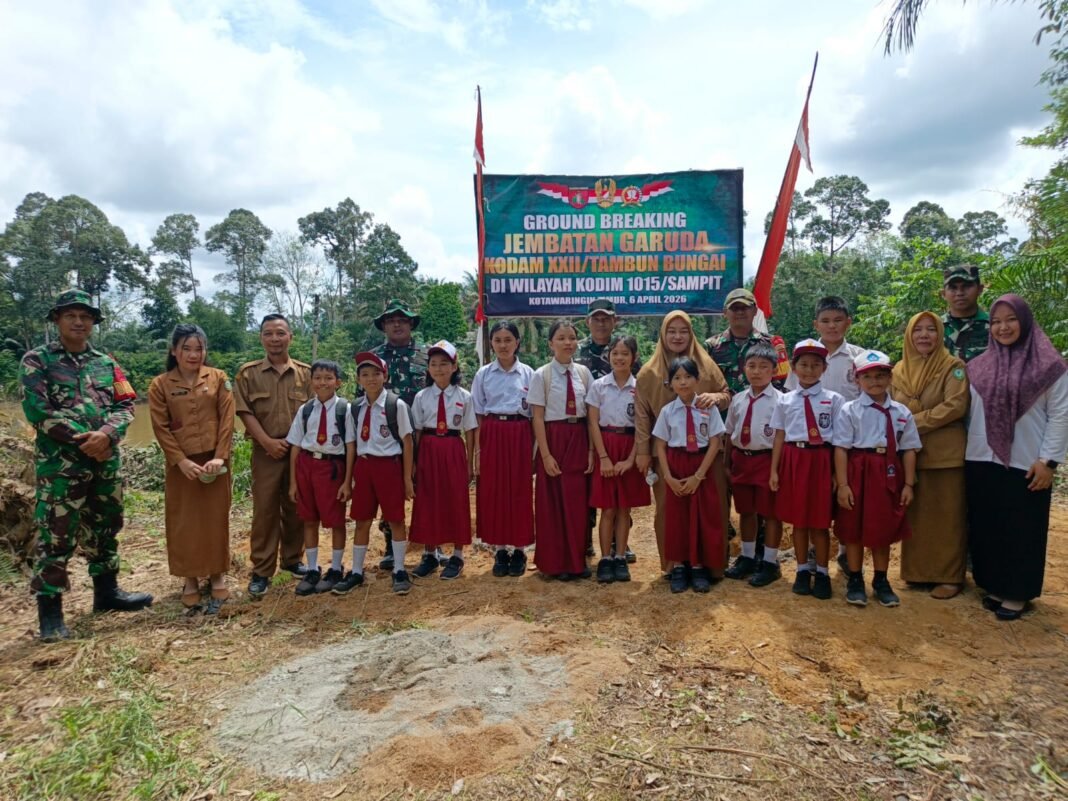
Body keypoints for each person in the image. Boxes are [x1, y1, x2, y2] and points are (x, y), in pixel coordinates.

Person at [21, 288, 152, 641]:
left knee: (106, 525)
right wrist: (87, 440)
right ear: (57, 320)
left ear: (93, 322)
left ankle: (107, 593)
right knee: (56, 534)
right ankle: (50, 614)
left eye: (85, 317)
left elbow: (127, 405)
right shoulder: (38, 361)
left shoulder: (106, 363)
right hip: (61, 467)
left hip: (104, 463)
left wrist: (107, 435)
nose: (78, 322)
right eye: (71, 316)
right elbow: (39, 411)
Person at [965, 294, 1067, 621]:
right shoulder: (978, 366)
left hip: (1027, 460)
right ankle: (994, 584)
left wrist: (1049, 461)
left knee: (1022, 527)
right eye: (995, 321)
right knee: (989, 524)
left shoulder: (1050, 367)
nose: (1002, 327)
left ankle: (1017, 592)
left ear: (1025, 321)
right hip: (981, 457)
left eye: (1010, 319)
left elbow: (1061, 415)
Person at [147, 324, 235, 613]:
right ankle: (190, 579)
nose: (193, 354)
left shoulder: (219, 378)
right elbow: (160, 427)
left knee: (214, 519)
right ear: (174, 351)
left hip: (215, 462)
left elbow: (227, 419)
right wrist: (180, 460)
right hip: (181, 465)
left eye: (199, 348)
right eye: (187, 348)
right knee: (184, 521)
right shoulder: (160, 384)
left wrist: (221, 456)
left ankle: (217, 574)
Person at [635, 311, 730, 576]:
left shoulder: (707, 366)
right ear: (663, 335)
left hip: (706, 454)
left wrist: (715, 397)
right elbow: (642, 416)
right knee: (670, 511)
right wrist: (643, 451)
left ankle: (708, 565)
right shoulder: (648, 373)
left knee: (710, 508)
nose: (677, 336)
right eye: (671, 331)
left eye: (684, 331)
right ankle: (674, 564)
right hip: (667, 455)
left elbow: (726, 395)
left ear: (691, 334)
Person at [892, 312, 970, 599]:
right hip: (910, 455)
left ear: (940, 335)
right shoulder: (898, 370)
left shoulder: (953, 367)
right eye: (918, 330)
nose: (924, 335)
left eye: (931, 330)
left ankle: (949, 576)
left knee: (947, 517)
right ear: (909, 336)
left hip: (945, 455)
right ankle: (918, 573)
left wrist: (913, 423)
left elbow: (955, 405)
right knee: (917, 517)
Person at [834, 351, 921, 608]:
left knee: (883, 526)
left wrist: (908, 484)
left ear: (890, 377)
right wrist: (842, 485)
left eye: (881, 375)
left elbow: (910, 449)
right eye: (868, 377)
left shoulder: (901, 412)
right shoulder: (850, 410)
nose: (875, 381)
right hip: (858, 470)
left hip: (888, 472)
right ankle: (855, 579)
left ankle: (881, 580)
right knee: (853, 526)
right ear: (857, 380)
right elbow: (840, 448)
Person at [233, 314, 312, 598]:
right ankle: (262, 570)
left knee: (296, 506)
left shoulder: (307, 373)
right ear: (261, 338)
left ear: (290, 336)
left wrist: (297, 445)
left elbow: (316, 413)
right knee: (264, 510)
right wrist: (267, 442)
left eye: (280, 333)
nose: (275, 339)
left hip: (298, 451)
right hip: (265, 451)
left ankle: (293, 560)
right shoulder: (248, 373)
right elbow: (244, 411)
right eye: (269, 334)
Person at [785, 296, 865, 572]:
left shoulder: (858, 357)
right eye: (826, 321)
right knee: (811, 499)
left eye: (838, 320)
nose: (832, 326)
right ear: (815, 324)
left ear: (848, 322)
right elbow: (791, 396)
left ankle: (844, 552)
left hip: (848, 440)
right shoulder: (804, 356)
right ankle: (808, 555)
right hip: (810, 444)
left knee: (843, 495)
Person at [769, 339, 844, 600]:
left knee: (820, 523)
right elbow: (779, 436)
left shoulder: (834, 400)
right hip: (794, 459)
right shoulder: (785, 400)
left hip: (821, 461)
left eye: (815, 365)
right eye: (803, 364)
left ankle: (822, 572)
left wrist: (837, 474)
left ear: (824, 368)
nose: (809, 370)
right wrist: (775, 470)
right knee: (799, 521)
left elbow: (839, 440)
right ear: (793, 367)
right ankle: (802, 570)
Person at [339, 351, 415, 595]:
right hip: (364, 466)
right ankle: (357, 571)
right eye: (365, 374)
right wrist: (348, 480)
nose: (371, 379)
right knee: (362, 519)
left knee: (395, 519)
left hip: (389, 466)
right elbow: (351, 445)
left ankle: (400, 569)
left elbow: (407, 442)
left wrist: (406, 478)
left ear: (386, 375)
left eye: (376, 373)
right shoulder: (354, 409)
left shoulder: (396, 405)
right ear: (358, 379)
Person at [577, 298, 642, 564]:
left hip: (622, 435)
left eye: (607, 318)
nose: (601, 323)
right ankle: (586, 542)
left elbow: (641, 403)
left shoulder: (628, 352)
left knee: (620, 497)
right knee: (589, 492)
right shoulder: (576, 351)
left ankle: (619, 545)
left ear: (615, 321)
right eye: (596, 318)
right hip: (584, 430)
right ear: (588, 321)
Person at [652, 357, 726, 594]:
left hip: (701, 465)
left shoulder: (708, 407)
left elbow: (715, 442)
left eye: (688, 377)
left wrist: (699, 475)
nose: (683, 382)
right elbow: (660, 445)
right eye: (677, 378)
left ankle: (698, 566)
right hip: (676, 464)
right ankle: (680, 566)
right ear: (670, 383)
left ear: (697, 379)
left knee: (703, 515)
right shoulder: (667, 411)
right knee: (678, 517)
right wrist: (668, 477)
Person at [529, 320, 594, 579]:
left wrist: (591, 451)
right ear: (550, 343)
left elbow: (591, 415)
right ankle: (555, 564)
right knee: (552, 503)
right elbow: (537, 417)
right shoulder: (541, 375)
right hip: (553, 438)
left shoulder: (584, 374)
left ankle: (576, 562)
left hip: (578, 437)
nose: (568, 343)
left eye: (571, 338)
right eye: (561, 338)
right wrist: (545, 455)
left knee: (577, 503)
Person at [470, 321, 536, 578]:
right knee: (495, 490)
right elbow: (476, 415)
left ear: (517, 342)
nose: (503, 345)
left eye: (508, 339)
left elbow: (534, 414)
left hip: (520, 432)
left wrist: (532, 449)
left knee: (519, 489)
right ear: (491, 343)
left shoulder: (529, 374)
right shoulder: (483, 374)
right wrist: (476, 450)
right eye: (498, 340)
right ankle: (499, 549)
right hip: (492, 432)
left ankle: (519, 549)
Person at [285, 360, 355, 596]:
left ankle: (336, 568)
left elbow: (350, 446)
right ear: (310, 381)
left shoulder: (344, 410)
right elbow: (295, 446)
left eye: (328, 378)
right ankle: (313, 568)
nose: (323, 382)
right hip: (307, 465)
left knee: (335, 519)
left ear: (338, 382)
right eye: (318, 377)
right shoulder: (305, 410)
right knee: (309, 519)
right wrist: (294, 482)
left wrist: (347, 481)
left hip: (332, 467)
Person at [409, 340, 477, 581]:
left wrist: (470, 464)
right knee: (428, 499)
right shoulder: (421, 396)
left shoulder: (464, 396)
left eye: (444, 364)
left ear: (454, 366)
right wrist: (415, 463)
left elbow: (470, 430)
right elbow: (416, 432)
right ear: (428, 368)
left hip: (452, 447)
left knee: (456, 498)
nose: (439, 369)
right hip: (428, 448)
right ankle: (429, 553)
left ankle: (457, 554)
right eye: (434, 364)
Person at [370, 299, 430, 571]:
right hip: (386, 437)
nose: (397, 324)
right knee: (389, 491)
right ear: (384, 326)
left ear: (411, 324)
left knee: (427, 489)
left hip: (423, 434)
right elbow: (363, 399)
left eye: (402, 320)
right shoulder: (373, 358)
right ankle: (392, 547)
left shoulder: (429, 357)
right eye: (391, 320)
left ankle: (432, 544)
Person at [586, 335, 650, 583]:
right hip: (606, 445)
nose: (619, 358)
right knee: (607, 508)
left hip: (630, 446)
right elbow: (592, 422)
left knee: (625, 508)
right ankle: (605, 559)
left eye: (625, 353)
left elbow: (642, 425)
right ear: (608, 356)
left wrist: (631, 459)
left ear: (633, 357)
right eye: (615, 353)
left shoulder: (640, 388)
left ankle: (621, 556)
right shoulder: (599, 386)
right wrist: (603, 457)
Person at [723, 343, 784, 587]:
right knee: (745, 511)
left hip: (767, 460)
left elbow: (782, 437)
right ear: (744, 368)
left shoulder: (781, 401)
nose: (756, 372)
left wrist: (776, 470)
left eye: (763, 367)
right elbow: (729, 434)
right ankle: (747, 557)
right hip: (742, 460)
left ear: (773, 369)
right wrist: (727, 464)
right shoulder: (738, 399)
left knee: (771, 514)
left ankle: (769, 562)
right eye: (751, 366)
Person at [704, 288, 778, 397]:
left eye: (745, 307)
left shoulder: (772, 343)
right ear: (725, 312)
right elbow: (704, 382)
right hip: (723, 411)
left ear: (755, 311)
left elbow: (781, 384)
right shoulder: (711, 346)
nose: (740, 312)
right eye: (734, 308)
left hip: (763, 410)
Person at [941, 264, 990, 363]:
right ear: (944, 294)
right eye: (953, 288)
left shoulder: (995, 325)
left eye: (967, 286)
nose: (959, 293)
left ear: (980, 289)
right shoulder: (935, 327)